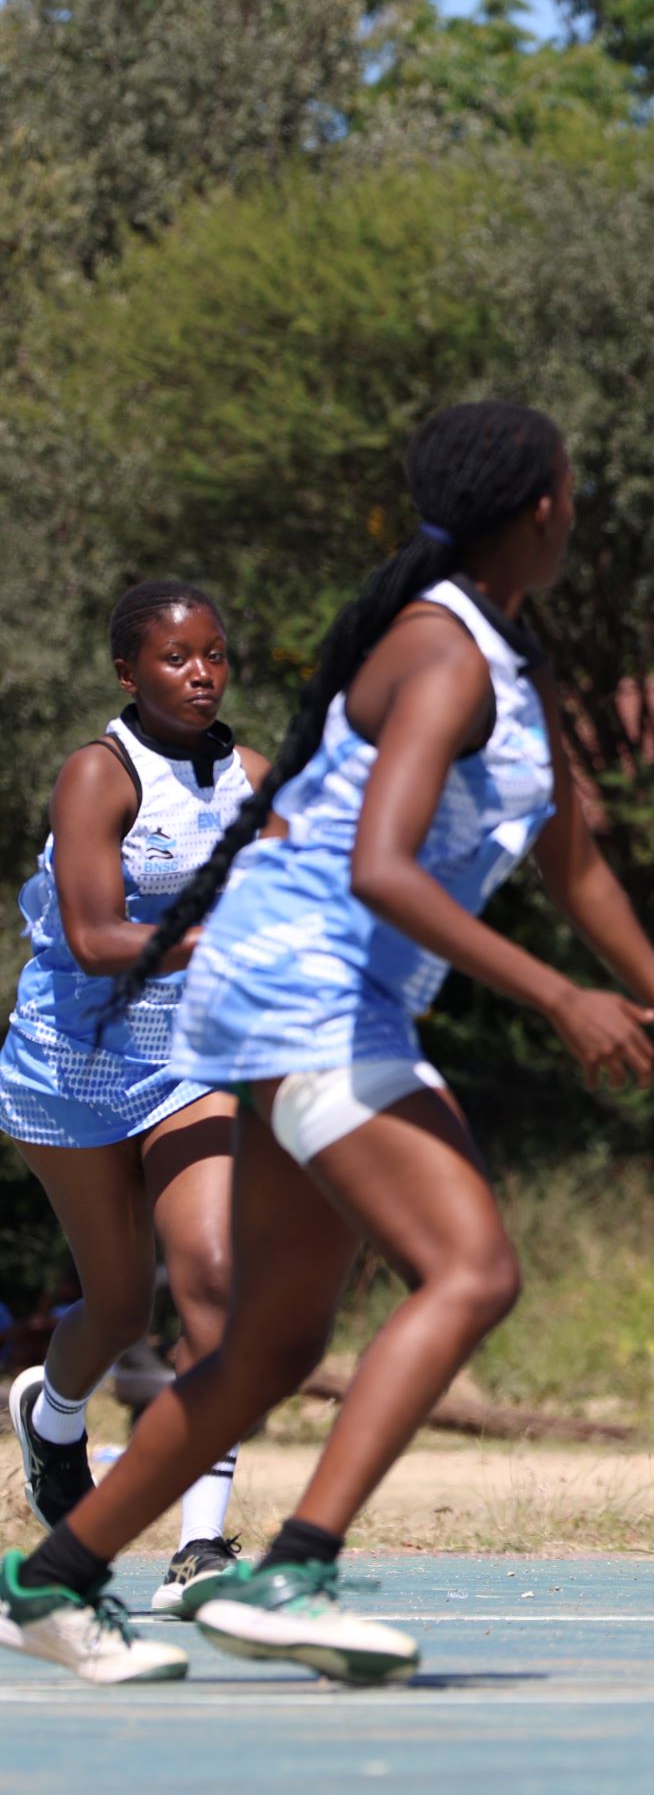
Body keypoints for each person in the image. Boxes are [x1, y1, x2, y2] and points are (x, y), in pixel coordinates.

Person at [0, 403, 654, 1688]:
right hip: (298, 991)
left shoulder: (510, 658)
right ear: (540, 507)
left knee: (269, 1339)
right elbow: (380, 865)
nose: (578, 501)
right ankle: (296, 1565)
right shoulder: (441, 654)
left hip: (298, 997)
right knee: (471, 1267)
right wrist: (557, 997)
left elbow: (574, 855)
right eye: (571, 484)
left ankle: (51, 1580)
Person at [3, 583, 265, 1612]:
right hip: (70, 1066)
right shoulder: (97, 776)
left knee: (213, 1277)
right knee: (119, 1304)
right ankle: (54, 1416)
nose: (201, 671)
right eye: (174, 656)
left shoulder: (250, 778)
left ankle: (202, 1548)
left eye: (214, 653)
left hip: (189, 1065)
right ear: (128, 673)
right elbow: (94, 938)